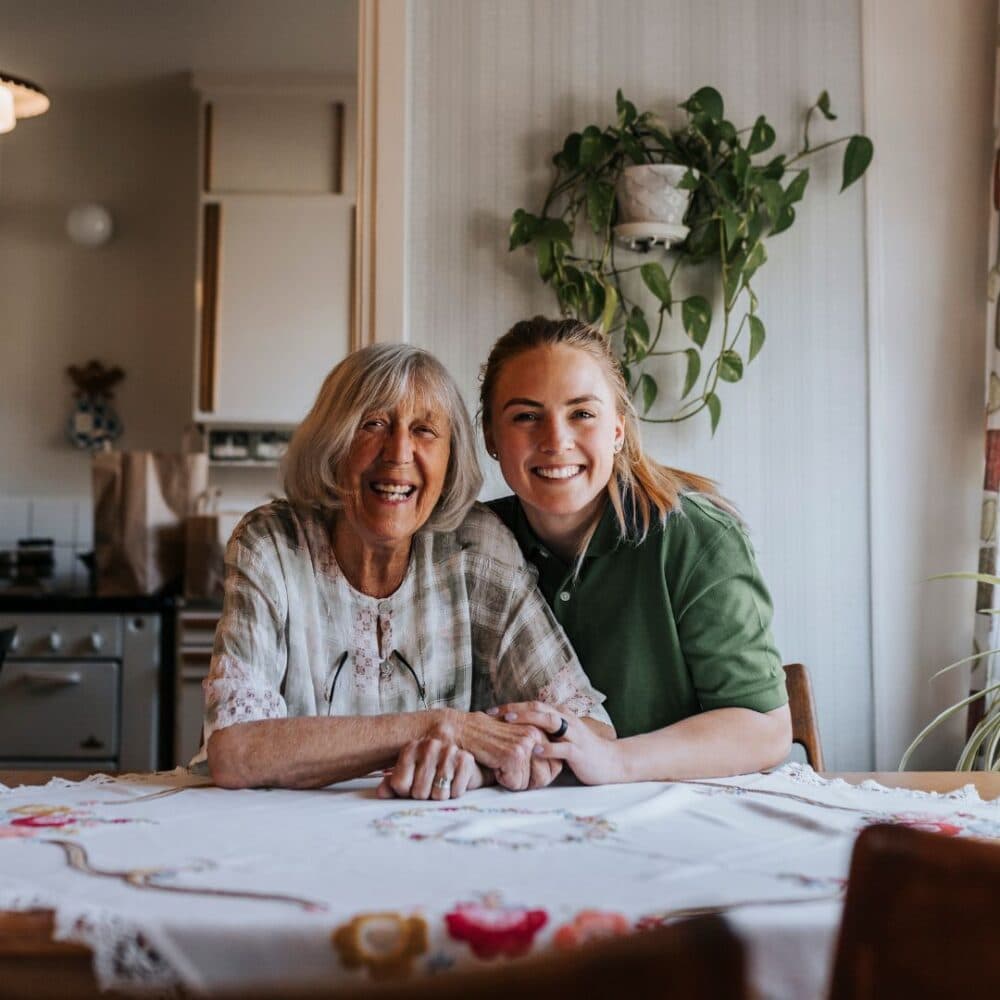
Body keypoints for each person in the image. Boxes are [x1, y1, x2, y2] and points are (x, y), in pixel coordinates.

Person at [199, 343, 613, 796]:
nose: (398, 453)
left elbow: (589, 731)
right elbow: (235, 752)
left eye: (423, 430)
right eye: (373, 424)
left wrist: (480, 766)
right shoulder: (271, 542)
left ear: (449, 458)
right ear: (332, 442)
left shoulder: (475, 548)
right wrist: (439, 726)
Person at [478, 316, 792, 783]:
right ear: (490, 438)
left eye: (582, 414)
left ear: (618, 430)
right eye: (526, 416)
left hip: (668, 818)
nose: (556, 441)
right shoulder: (475, 544)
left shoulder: (697, 538)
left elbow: (764, 728)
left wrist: (615, 761)